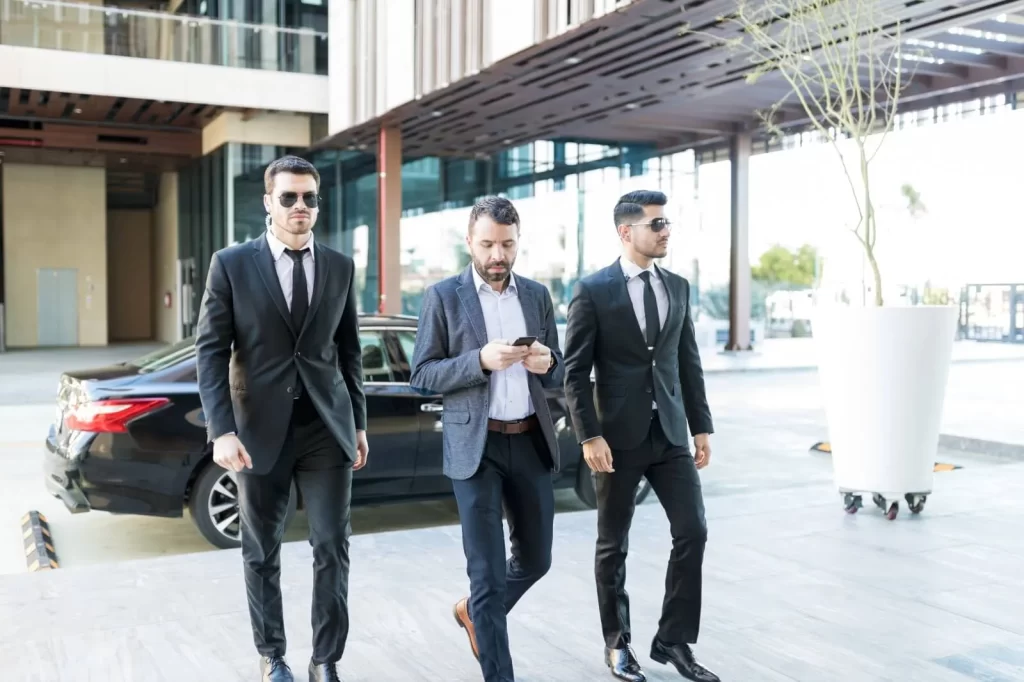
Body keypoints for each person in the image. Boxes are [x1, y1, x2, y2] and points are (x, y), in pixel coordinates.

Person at [195, 155, 368, 682]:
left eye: (309, 197)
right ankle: (272, 655)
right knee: (260, 550)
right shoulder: (231, 264)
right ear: (268, 202)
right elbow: (210, 352)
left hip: (326, 428)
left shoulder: (339, 266)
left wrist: (358, 423)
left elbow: (349, 351)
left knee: (332, 545)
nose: (300, 206)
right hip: (257, 432)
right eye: (289, 197)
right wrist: (222, 430)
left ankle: (325, 659)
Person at [562, 190, 719, 682]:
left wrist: (701, 426)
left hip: (670, 433)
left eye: (667, 222)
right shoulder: (593, 290)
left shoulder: (678, 286)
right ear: (626, 231)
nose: (665, 230)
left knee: (693, 530)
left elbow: (686, 362)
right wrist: (589, 436)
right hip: (617, 438)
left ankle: (672, 640)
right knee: (613, 544)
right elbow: (574, 373)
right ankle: (617, 644)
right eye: (656, 224)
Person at [409, 195, 564, 682]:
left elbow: (558, 367)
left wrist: (549, 362)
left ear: (518, 241)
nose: (498, 255)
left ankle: (475, 611)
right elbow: (422, 374)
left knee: (536, 560)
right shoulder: (443, 296)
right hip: (476, 450)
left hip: (530, 441)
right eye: (488, 245)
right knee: (488, 575)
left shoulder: (536, 295)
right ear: (469, 242)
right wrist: (478, 361)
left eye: (507, 244)